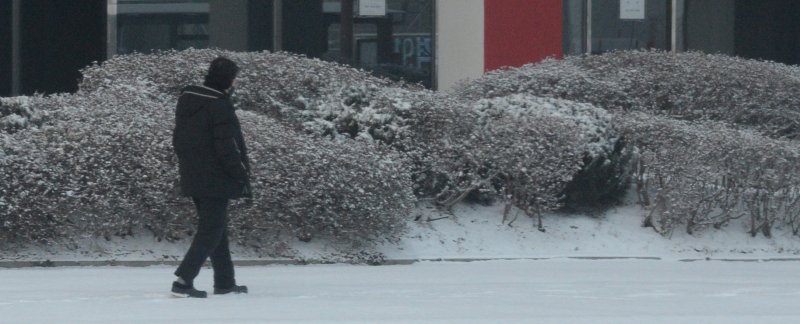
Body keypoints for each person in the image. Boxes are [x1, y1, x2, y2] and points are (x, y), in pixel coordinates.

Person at [170, 57, 251, 298]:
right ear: (228, 80)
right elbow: (226, 147)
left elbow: (179, 141)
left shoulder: (188, 102)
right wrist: (241, 174)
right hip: (216, 176)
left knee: (217, 228)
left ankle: (225, 282)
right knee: (211, 229)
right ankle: (183, 281)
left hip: (194, 174)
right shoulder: (219, 105)